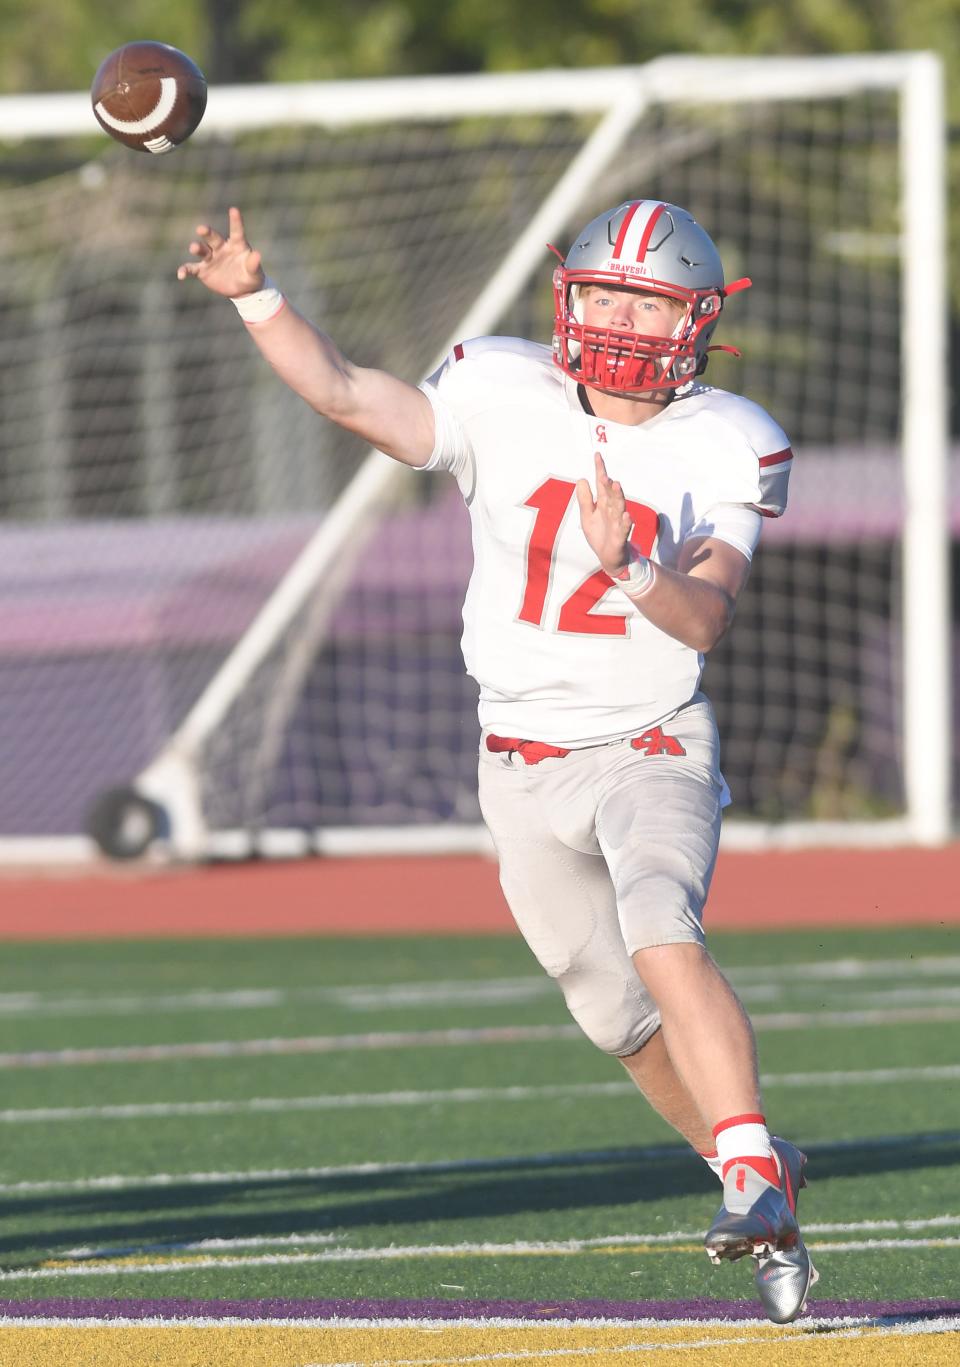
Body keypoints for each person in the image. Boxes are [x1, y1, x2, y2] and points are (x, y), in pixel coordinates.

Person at [178, 198, 815, 1323]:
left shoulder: (727, 437)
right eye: (603, 293)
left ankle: (755, 1166)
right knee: (610, 1011)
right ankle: (747, 1165)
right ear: (569, 297)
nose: (618, 317)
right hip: (516, 752)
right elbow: (343, 391)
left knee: (662, 924)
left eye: (644, 300)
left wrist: (627, 570)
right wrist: (256, 299)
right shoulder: (499, 384)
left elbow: (706, 619)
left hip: (648, 733)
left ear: (696, 320)